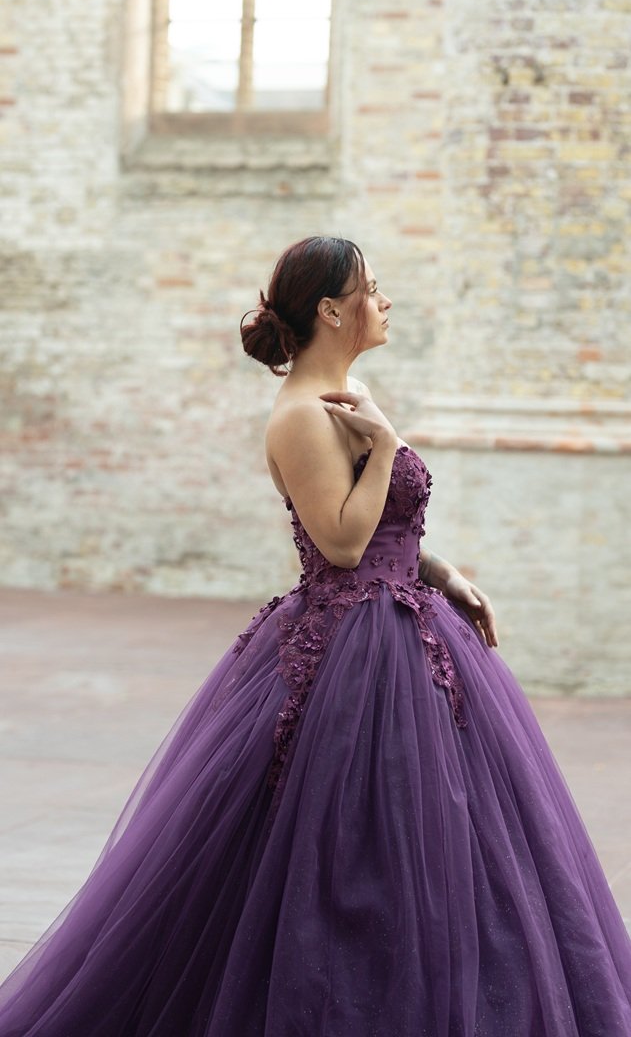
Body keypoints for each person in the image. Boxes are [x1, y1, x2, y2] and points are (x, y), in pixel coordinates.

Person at [0, 235, 629, 1037]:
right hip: (349, 648)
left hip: (408, 620)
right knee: (347, 840)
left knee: (461, 836)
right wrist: (389, 444)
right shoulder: (300, 415)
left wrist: (440, 572)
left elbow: (386, 527)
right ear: (332, 309)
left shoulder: (349, 392)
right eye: (372, 288)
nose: (385, 300)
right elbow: (338, 541)